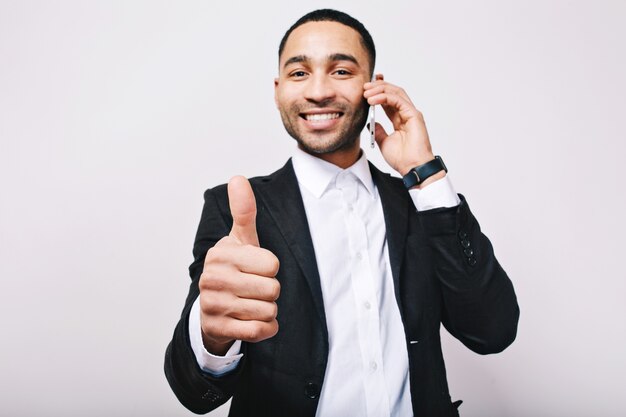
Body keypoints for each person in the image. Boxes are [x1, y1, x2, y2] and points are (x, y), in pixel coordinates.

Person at [164, 9, 519, 417]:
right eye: (299, 74)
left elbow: (493, 331)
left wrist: (426, 175)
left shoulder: (420, 205)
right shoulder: (233, 208)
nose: (318, 91)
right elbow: (193, 393)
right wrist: (212, 336)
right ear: (278, 89)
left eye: (341, 71)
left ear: (374, 87)